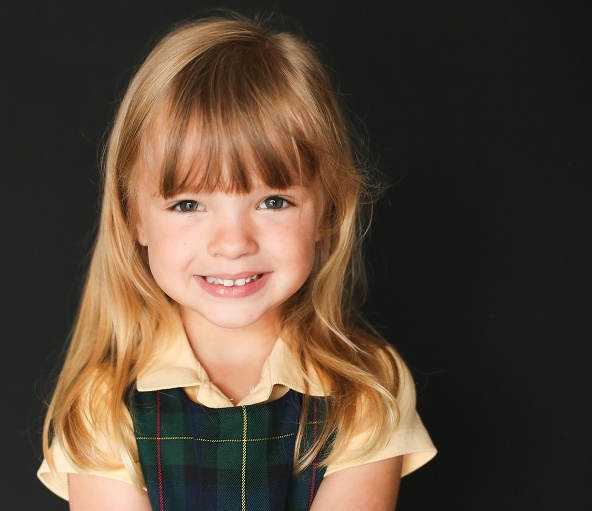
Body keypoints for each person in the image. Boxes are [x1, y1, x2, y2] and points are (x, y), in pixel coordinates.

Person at [37, 14, 436, 511]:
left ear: (327, 212)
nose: (232, 244)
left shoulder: (368, 387)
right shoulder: (105, 402)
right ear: (132, 217)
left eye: (273, 201)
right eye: (188, 204)